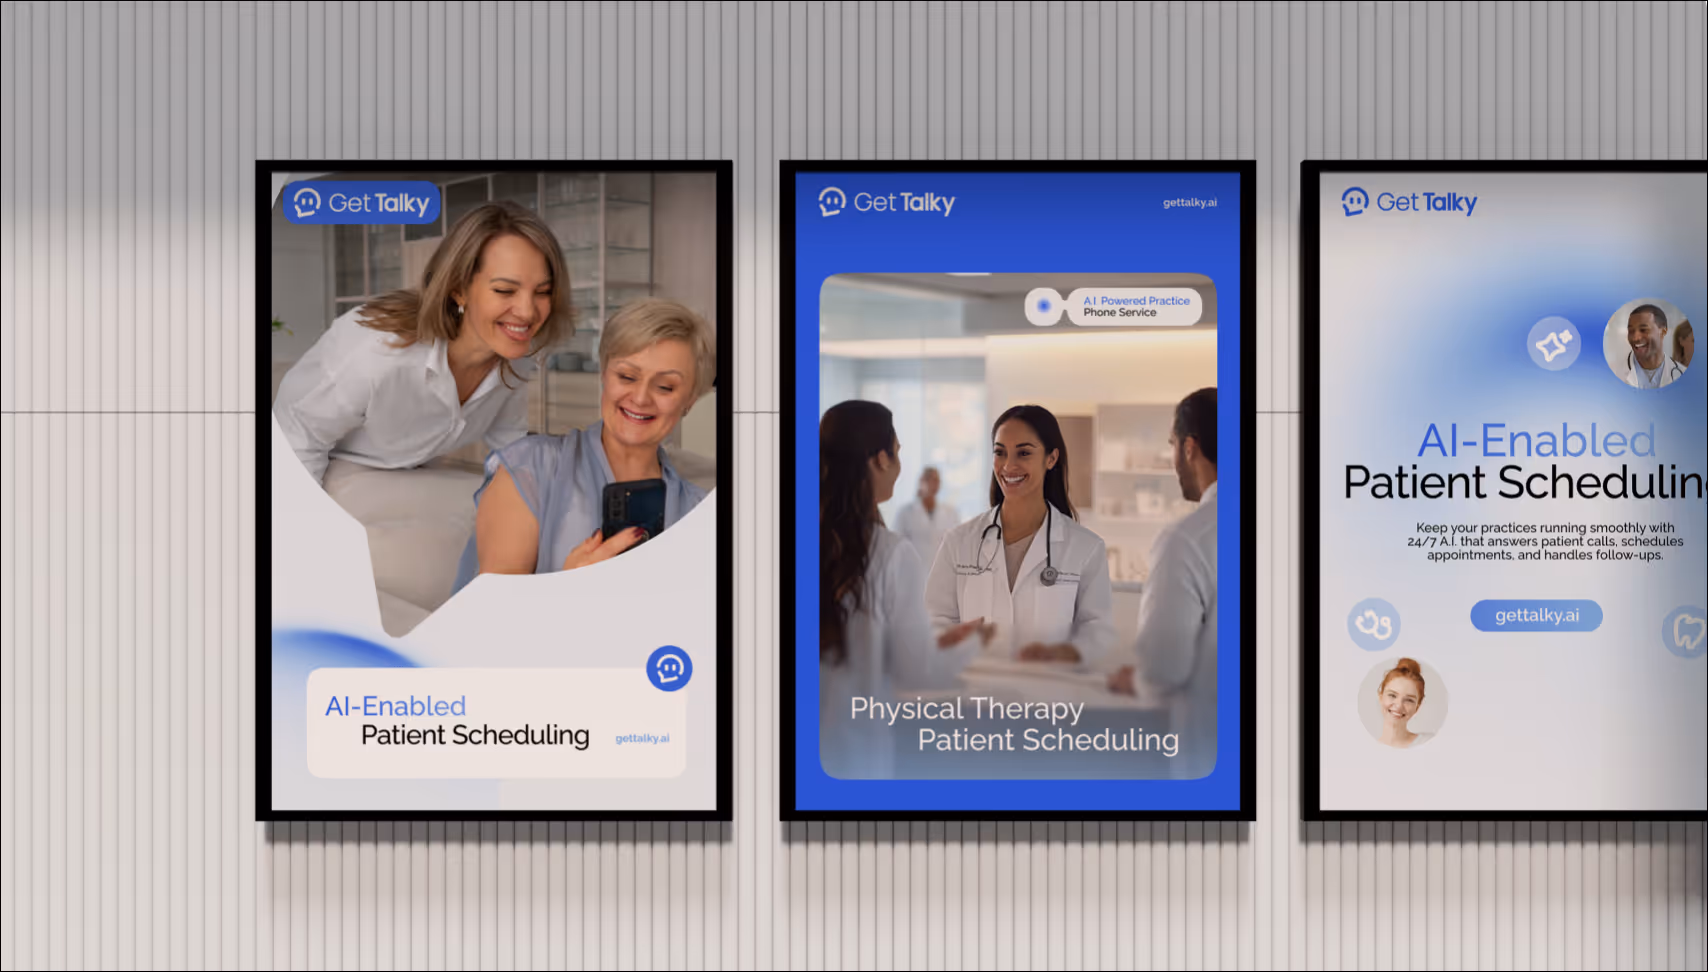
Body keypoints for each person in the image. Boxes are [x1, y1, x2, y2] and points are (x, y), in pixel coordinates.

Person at [274, 200, 573, 483]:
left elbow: (510, 445)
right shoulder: (378, 351)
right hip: (318, 466)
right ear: (459, 289)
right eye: (505, 291)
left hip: (405, 473)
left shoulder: (512, 355)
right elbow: (298, 441)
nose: (528, 311)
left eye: (543, 291)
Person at [450, 298, 715, 592]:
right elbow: (488, 619)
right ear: (604, 375)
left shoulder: (700, 511)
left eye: (665, 386)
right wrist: (569, 593)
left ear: (690, 399)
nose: (641, 398)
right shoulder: (530, 469)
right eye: (626, 376)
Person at [818, 401, 979, 779]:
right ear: (880, 459)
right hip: (851, 760)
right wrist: (969, 644)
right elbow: (915, 671)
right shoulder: (889, 553)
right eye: (898, 452)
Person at [926, 404, 1115, 667]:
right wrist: (956, 638)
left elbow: (1098, 630)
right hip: (975, 696)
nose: (1008, 465)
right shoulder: (959, 542)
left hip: (1048, 697)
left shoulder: (1086, 548)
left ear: (1051, 459)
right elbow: (933, 621)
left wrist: (1065, 653)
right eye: (1000, 453)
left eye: (1023, 453)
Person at [1107, 388, 1219, 779]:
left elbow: (1163, 667)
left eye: (1172, 445)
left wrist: (1135, 678)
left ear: (1190, 448)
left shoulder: (1188, 538)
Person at [892, 467, 959, 565]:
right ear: (921, 481)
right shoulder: (905, 513)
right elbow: (897, 547)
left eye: (937, 480)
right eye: (929, 479)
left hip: (941, 570)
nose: (934, 484)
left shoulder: (951, 513)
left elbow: (956, 544)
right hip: (913, 570)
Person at [1373, 658, 1434, 749]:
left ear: (1417, 706)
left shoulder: (1430, 742)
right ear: (1381, 697)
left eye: (1409, 700)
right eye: (1392, 695)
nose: (1398, 706)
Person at [1622, 303, 1685, 388]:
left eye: (1643, 330)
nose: (1635, 338)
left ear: (1662, 332)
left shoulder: (1681, 372)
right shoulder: (1615, 374)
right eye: (1631, 331)